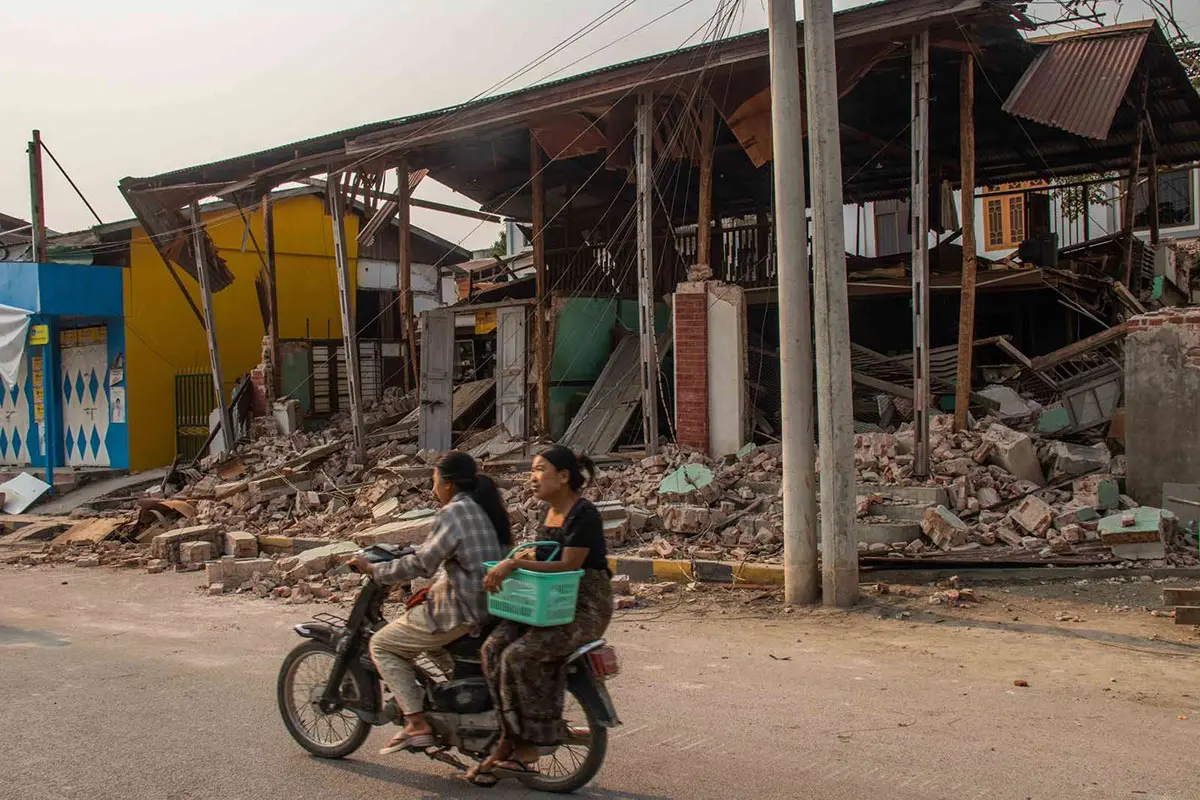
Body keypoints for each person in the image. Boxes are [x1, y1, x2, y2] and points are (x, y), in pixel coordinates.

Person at [468, 446, 613, 785]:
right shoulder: (547, 513)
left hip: (583, 606)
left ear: (563, 476)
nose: (532, 478)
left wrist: (514, 563)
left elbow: (568, 564)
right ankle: (509, 736)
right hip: (548, 601)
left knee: (521, 655)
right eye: (532, 470)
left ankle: (530, 743)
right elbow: (546, 557)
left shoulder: (583, 513)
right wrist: (520, 559)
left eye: (540, 469)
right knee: (492, 649)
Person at [349, 451, 509, 756]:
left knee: (382, 644)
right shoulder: (479, 508)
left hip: (461, 610)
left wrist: (375, 571)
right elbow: (450, 554)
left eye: (434, 480)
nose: (432, 487)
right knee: (423, 623)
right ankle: (455, 700)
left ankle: (416, 723)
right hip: (485, 604)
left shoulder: (453, 513)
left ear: (447, 483)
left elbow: (423, 565)